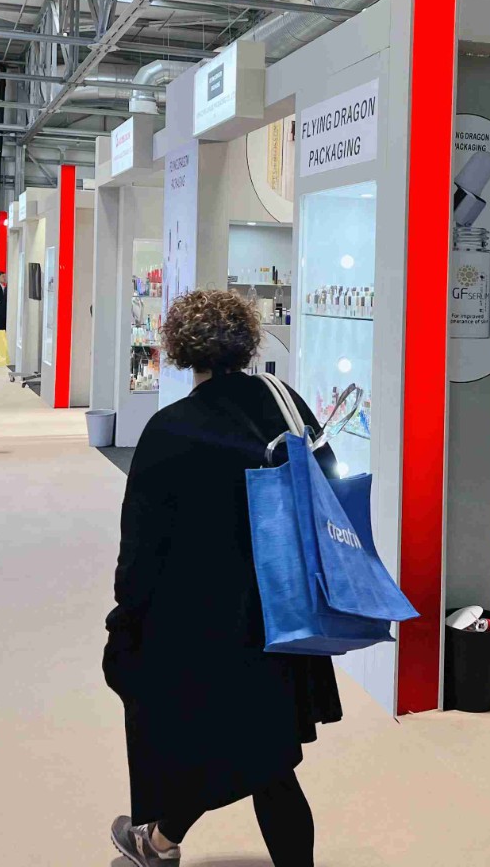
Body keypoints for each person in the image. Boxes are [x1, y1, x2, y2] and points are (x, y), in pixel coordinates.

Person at [104, 289, 341, 867]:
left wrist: (125, 621)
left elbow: (141, 547)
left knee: (239, 750)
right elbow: (328, 483)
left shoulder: (170, 429)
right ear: (247, 342)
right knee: (262, 752)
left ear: (180, 349)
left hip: (201, 617)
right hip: (284, 608)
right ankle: (159, 841)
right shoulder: (285, 404)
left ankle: (158, 842)